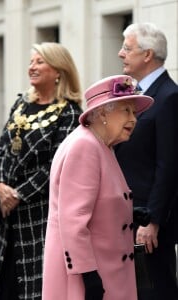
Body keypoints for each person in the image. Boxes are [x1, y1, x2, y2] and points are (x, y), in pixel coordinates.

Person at [0, 42, 83, 300]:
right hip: (9, 219)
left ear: (59, 70)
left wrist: (18, 194)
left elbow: (58, 165)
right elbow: (2, 148)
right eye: (31, 62)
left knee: (34, 289)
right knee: (7, 288)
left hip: (39, 215)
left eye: (39, 62)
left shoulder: (70, 113)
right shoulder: (21, 104)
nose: (32, 67)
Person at [42, 74, 154, 300]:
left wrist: (127, 213)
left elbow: (95, 203)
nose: (134, 119)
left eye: (134, 112)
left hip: (106, 269)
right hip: (91, 276)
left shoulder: (100, 144)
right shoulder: (85, 146)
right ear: (103, 113)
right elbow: (73, 219)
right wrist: (88, 276)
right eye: (126, 111)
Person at [116, 22, 178, 300]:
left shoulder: (169, 97)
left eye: (127, 48)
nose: (120, 54)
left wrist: (152, 220)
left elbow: (170, 166)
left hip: (148, 225)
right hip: (125, 217)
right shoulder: (133, 93)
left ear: (148, 55)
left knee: (155, 291)